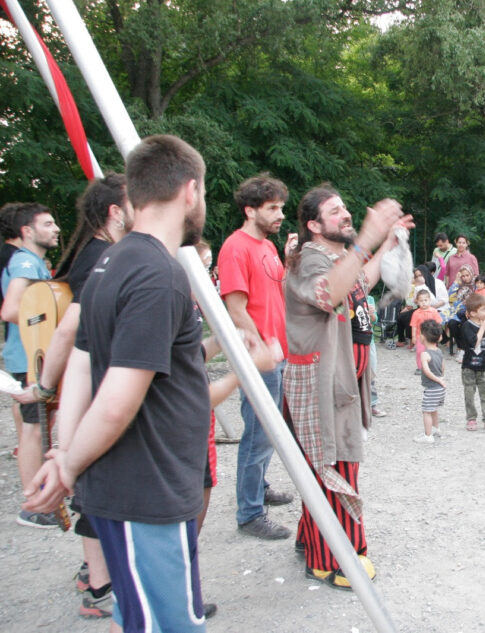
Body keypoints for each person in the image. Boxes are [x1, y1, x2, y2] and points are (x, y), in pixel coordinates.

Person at [23, 134, 212, 630]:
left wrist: (66, 450)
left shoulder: (110, 263)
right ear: (190, 191)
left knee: (139, 619)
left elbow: (83, 364)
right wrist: (66, 465)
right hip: (145, 492)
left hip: (128, 487)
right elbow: (114, 404)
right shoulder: (157, 274)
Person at [12, 174, 132, 616]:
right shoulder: (100, 257)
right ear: (115, 212)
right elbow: (68, 328)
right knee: (98, 489)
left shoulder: (94, 254)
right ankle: (99, 587)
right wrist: (44, 386)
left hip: (92, 384)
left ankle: (93, 574)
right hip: (93, 386)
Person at [283, 184, 411, 587]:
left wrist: (385, 243)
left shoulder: (336, 257)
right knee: (336, 469)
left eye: (345, 208)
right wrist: (368, 239)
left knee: (324, 469)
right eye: (335, 211)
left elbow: (359, 284)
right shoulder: (308, 260)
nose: (346, 215)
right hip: (322, 387)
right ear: (313, 225)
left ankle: (312, 541)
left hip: (341, 386)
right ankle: (335, 559)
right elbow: (329, 295)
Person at [217, 174, 294, 540]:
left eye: (281, 206)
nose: (281, 214)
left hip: (276, 354)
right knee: (258, 434)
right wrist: (261, 348)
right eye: (273, 208)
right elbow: (235, 308)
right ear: (250, 210)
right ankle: (249, 513)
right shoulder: (236, 247)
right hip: (259, 358)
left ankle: (259, 487)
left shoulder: (268, 247)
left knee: (268, 431)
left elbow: (276, 294)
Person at [1, 202, 60, 528]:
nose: (56, 229)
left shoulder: (28, 261)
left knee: (39, 428)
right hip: (28, 357)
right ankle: (33, 503)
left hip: (30, 356)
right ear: (27, 231)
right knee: (34, 430)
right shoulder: (24, 261)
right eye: (48, 224)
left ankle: (39, 497)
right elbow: (10, 310)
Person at [460, 292, 485, 432]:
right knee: (469, 394)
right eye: (483, 309)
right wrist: (482, 327)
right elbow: (474, 343)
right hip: (469, 367)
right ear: (473, 313)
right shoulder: (466, 326)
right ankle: (471, 418)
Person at [415, 319, 447, 444]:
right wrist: (441, 377)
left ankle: (428, 435)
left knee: (426, 411)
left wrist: (437, 379)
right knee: (434, 409)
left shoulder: (425, 354)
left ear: (422, 337)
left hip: (432, 388)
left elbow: (427, 371)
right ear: (439, 338)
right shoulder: (439, 351)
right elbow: (443, 367)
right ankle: (436, 429)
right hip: (440, 387)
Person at [410, 288, 442, 370]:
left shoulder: (434, 311)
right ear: (417, 302)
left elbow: (438, 324)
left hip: (431, 337)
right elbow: (413, 325)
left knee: (432, 352)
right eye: (421, 301)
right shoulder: (416, 313)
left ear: (429, 300)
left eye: (425, 300)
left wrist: (440, 335)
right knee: (420, 352)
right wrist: (413, 337)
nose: (423, 302)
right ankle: (421, 367)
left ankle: (432, 366)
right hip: (420, 337)